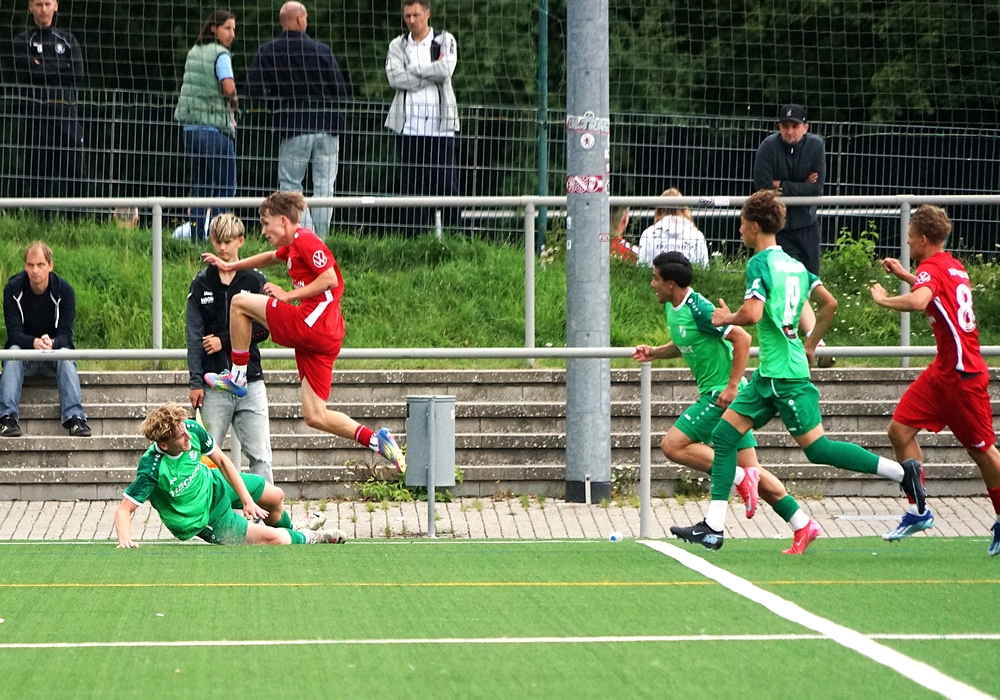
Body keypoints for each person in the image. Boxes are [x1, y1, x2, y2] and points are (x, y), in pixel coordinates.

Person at [668, 190, 924, 550]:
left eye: (742, 223)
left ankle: (901, 472)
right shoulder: (795, 265)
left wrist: (727, 317)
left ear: (754, 226)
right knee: (724, 437)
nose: (740, 230)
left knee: (818, 449)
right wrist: (811, 343)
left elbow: (753, 314)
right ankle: (713, 526)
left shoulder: (760, 264)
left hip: (782, 377)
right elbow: (829, 303)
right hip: (770, 375)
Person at [199, 191, 406, 473]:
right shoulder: (292, 246)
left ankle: (237, 376)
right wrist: (231, 265)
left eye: (266, 223)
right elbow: (270, 257)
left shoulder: (305, 240)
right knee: (314, 414)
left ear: (283, 221)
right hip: (325, 337)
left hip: (312, 325)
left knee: (239, 303)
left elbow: (330, 279)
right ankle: (376, 441)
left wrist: (288, 295)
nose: (264, 231)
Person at [633, 251, 821, 554]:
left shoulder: (699, 308)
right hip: (725, 395)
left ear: (670, 284)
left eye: (655, 278)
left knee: (672, 446)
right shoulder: (672, 306)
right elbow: (686, 341)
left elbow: (743, 339)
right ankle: (802, 523)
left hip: (720, 396)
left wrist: (732, 387)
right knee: (755, 472)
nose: (651, 284)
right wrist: (655, 353)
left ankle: (738, 478)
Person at [870, 205, 1000, 555]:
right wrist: (905, 274)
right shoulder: (952, 265)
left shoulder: (932, 268)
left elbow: (919, 301)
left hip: (963, 376)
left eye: (910, 237)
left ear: (924, 239)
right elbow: (932, 289)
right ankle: (919, 510)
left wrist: (884, 299)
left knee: (982, 451)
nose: (908, 243)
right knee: (899, 431)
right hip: (943, 371)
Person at [114, 402, 344, 547]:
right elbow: (124, 509)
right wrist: (125, 540)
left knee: (276, 496)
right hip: (206, 518)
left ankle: (294, 529)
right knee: (277, 539)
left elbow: (223, 462)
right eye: (180, 437)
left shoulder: (191, 430)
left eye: (185, 430)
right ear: (164, 445)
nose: (188, 437)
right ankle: (314, 538)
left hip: (215, 484)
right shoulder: (152, 469)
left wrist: (247, 500)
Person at [246, 2, 348, 239]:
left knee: (291, 187)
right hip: (327, 126)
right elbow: (341, 91)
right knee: (325, 187)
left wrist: (274, 102)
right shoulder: (321, 51)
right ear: (300, 20)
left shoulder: (269, 51)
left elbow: (253, 88)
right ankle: (321, 241)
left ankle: (306, 237)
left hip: (292, 125)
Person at [187, 214, 274, 483]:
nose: (222, 247)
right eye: (217, 241)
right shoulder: (201, 283)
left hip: (250, 380)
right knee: (204, 456)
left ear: (240, 241)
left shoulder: (255, 281)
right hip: (213, 383)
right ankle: (206, 506)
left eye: (227, 241)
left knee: (261, 456)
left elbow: (265, 329)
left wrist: (223, 341)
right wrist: (195, 381)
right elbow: (194, 336)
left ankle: (269, 507)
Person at [752, 104, 830, 361]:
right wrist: (799, 185)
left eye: (795, 126)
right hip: (780, 230)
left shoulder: (816, 146)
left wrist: (782, 185)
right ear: (779, 127)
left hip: (807, 226)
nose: (789, 131)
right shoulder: (768, 147)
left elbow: (816, 190)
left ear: (805, 127)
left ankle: (808, 343)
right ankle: (815, 344)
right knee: (791, 282)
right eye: (785, 126)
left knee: (808, 285)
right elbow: (763, 188)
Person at [1, 241, 90, 438]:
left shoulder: (65, 291)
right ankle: (7, 419)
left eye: (40, 265)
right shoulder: (13, 289)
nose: (35, 270)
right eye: (30, 265)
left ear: (50, 265)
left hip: (54, 354)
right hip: (25, 355)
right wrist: (34, 343)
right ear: (25, 266)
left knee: (66, 355)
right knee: (12, 353)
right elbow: (14, 334)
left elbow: (66, 335)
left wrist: (53, 343)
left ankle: (76, 419)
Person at [385, 0, 459, 235]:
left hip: (441, 129)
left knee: (447, 188)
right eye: (407, 16)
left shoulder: (444, 40)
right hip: (408, 130)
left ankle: (455, 239)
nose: (411, 21)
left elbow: (445, 70)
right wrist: (430, 71)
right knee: (412, 191)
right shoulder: (398, 45)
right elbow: (394, 78)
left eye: (416, 15)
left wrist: (413, 70)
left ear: (427, 14)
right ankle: (415, 241)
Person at [174, 10, 239, 242]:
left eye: (233, 29)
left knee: (201, 187)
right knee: (226, 187)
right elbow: (228, 87)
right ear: (214, 28)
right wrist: (234, 101)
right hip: (214, 128)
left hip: (191, 128)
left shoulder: (194, 52)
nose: (232, 34)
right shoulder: (221, 54)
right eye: (227, 28)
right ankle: (220, 237)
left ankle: (195, 236)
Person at [14, 0, 87, 206]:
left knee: (76, 171)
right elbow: (29, 72)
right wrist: (61, 67)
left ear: (56, 5)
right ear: (30, 7)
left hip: (66, 114)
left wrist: (43, 66)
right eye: (39, 4)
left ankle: (76, 219)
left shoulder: (67, 39)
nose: (43, 9)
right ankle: (39, 219)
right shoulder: (23, 40)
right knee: (38, 174)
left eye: (47, 3)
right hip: (37, 114)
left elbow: (77, 73)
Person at [636, 189, 710, 268]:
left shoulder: (649, 233)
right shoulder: (697, 235)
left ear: (659, 209)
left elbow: (641, 265)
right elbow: (704, 267)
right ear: (684, 208)